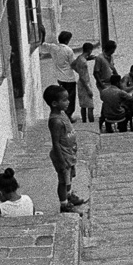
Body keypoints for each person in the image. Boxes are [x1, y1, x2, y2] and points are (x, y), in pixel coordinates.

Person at [44, 85, 87, 213]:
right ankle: (64, 204)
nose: (68, 102)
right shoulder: (55, 121)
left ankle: (69, 196)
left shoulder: (62, 113)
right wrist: (61, 161)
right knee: (63, 181)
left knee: (69, 177)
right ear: (54, 103)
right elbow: (56, 143)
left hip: (70, 153)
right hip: (62, 156)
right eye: (64, 100)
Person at [42, 31, 79, 119]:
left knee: (62, 97)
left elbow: (42, 44)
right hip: (69, 78)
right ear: (67, 40)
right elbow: (73, 64)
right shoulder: (68, 50)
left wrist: (42, 33)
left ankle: (63, 114)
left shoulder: (53, 47)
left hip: (60, 77)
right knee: (70, 99)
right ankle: (68, 116)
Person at [72, 42, 96, 124]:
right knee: (90, 106)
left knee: (83, 105)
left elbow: (72, 64)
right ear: (90, 50)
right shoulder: (83, 61)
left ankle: (84, 122)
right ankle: (91, 123)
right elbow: (82, 77)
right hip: (84, 84)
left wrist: (78, 70)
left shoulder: (80, 58)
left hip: (81, 84)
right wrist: (88, 89)